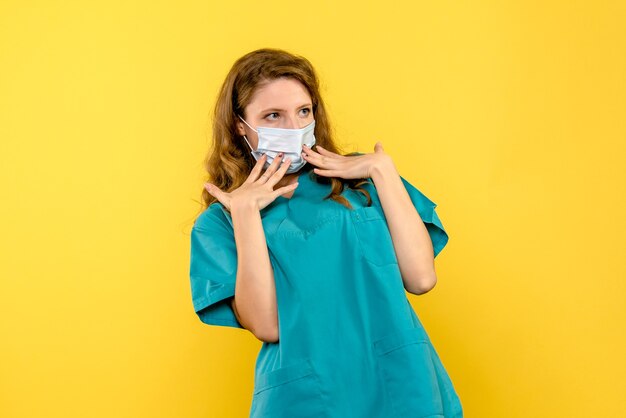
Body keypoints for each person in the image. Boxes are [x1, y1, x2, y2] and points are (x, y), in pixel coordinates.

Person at [189, 47, 463, 418]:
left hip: (401, 381)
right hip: (307, 396)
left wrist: (384, 172)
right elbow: (268, 325)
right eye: (273, 116)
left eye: (303, 111)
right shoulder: (222, 221)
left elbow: (421, 277)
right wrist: (246, 217)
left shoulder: (362, 181)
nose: (294, 127)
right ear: (241, 125)